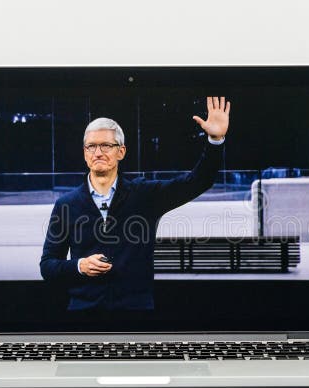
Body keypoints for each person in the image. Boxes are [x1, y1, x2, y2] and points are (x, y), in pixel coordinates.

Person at [40, 97, 231, 310]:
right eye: (91, 146)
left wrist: (215, 141)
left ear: (121, 151)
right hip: (84, 316)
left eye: (106, 145)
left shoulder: (144, 195)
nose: (98, 153)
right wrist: (79, 266)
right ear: (85, 154)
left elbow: (198, 181)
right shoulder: (66, 205)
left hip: (137, 316)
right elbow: (48, 266)